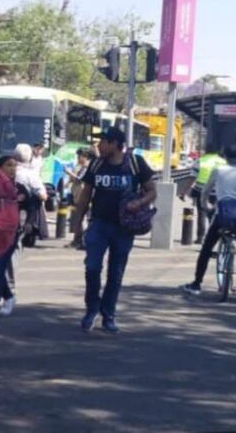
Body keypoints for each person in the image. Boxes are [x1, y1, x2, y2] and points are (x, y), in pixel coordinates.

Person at [72, 126, 156, 334]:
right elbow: (85, 195)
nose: (99, 146)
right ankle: (91, 309)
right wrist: (77, 225)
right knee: (92, 268)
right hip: (99, 225)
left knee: (115, 273)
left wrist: (140, 203)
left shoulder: (136, 164)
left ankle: (108, 315)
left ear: (116, 145)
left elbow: (152, 191)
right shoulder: (97, 164)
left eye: (104, 142)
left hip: (124, 228)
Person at [181, 142, 236, 295]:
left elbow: (206, 191)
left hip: (223, 215)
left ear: (225, 156)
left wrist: (206, 206)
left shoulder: (218, 170)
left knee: (206, 249)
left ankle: (197, 284)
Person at [0, 156, 26, 326]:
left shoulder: (19, 188)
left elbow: (30, 204)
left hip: (10, 235)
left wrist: (25, 223)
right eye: (9, 165)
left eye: (15, 166)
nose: (12, 169)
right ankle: (8, 296)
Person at [14, 143, 49, 246]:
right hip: (28, 206)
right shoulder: (31, 175)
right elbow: (43, 195)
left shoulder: (6, 171)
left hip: (9, 206)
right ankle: (30, 224)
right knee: (35, 203)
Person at [65, 147, 93, 249]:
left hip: (85, 199)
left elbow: (80, 180)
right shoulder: (80, 167)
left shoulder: (89, 168)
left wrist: (69, 173)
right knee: (78, 219)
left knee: (85, 220)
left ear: (86, 157)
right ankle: (77, 240)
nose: (78, 158)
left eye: (80, 156)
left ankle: (83, 241)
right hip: (78, 197)